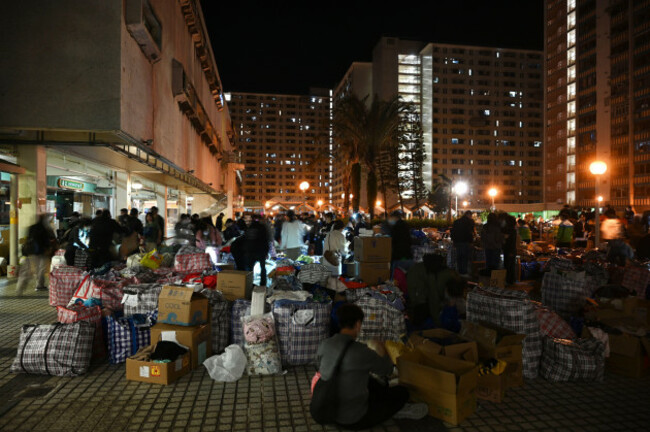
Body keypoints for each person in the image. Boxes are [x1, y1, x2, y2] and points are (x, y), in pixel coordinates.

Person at [315, 304, 427, 429]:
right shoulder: (360, 351)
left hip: (329, 411)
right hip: (354, 420)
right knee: (402, 393)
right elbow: (387, 370)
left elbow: (320, 367)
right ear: (358, 324)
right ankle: (397, 412)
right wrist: (381, 350)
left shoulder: (325, 344)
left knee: (369, 382)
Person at [407, 253, 461, 329]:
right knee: (420, 306)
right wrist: (438, 324)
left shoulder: (450, 278)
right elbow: (433, 300)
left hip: (424, 281)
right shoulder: (436, 280)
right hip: (417, 284)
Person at [17, 214, 57, 294]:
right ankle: (39, 285)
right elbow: (47, 240)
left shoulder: (32, 227)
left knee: (27, 270)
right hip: (41, 252)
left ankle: (19, 287)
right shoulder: (44, 228)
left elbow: (27, 238)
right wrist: (48, 248)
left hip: (30, 251)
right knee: (41, 269)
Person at [234, 213, 269, 285]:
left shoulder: (249, 228)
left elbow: (246, 240)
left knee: (250, 269)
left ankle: (250, 284)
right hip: (261, 251)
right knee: (263, 267)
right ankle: (263, 283)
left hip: (250, 252)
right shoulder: (262, 227)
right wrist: (266, 251)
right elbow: (265, 240)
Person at [450, 210, 475, 276]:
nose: (471, 217)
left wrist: (454, 241)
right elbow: (470, 233)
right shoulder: (469, 222)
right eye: (471, 215)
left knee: (459, 257)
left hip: (457, 242)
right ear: (468, 215)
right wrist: (471, 242)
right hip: (465, 242)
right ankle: (464, 272)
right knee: (464, 257)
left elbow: (452, 232)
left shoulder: (457, 221)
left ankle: (459, 271)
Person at [388, 210, 413, 274]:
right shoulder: (405, 225)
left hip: (398, 256)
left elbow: (393, 240)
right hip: (407, 255)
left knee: (396, 276)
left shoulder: (396, 226)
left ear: (395, 217)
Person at [502, 214, 518, 285]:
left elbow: (509, 241)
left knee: (508, 265)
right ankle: (511, 280)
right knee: (511, 265)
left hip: (509, 250)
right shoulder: (513, 230)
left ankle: (509, 280)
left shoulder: (509, 230)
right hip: (512, 250)